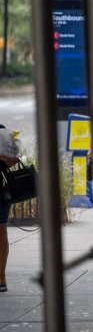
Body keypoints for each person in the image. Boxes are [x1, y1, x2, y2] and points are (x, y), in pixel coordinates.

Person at [0, 124, 19, 293]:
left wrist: (4, 158)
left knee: (1, 232)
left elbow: (14, 159)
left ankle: (1, 277)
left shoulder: (2, 132)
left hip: (0, 191)